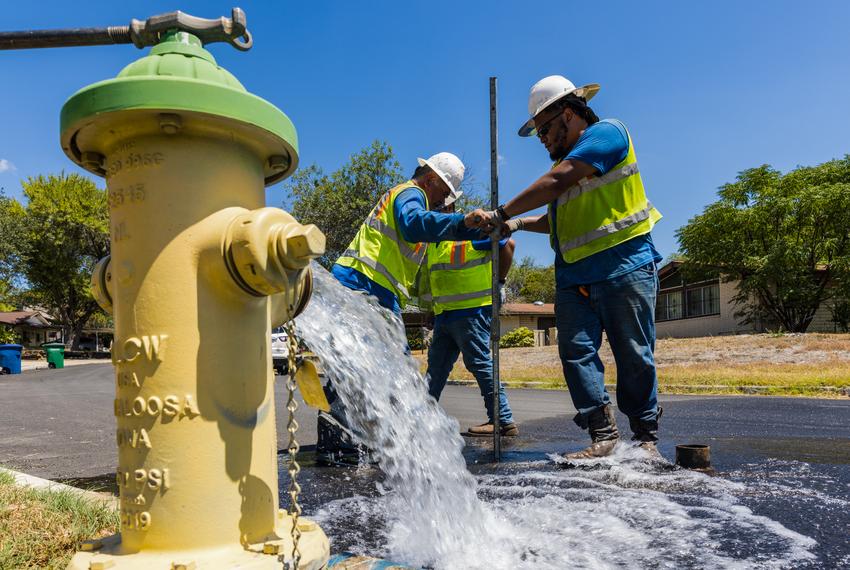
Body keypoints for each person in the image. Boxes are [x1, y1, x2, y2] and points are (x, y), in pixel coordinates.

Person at [470, 75, 664, 458]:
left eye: (544, 128)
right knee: (575, 354)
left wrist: (502, 212)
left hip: (624, 265)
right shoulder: (568, 163)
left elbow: (558, 181)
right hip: (575, 276)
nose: (541, 138)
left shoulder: (607, 134)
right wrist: (519, 223)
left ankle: (645, 440)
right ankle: (603, 436)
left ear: (571, 113)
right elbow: (559, 218)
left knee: (633, 354)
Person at [317, 152, 484, 465]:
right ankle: (347, 443)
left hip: (376, 288)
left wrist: (474, 230)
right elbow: (413, 224)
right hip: (362, 282)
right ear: (432, 179)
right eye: (445, 192)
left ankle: (355, 439)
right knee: (380, 367)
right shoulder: (411, 194)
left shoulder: (414, 200)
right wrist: (461, 222)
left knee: (376, 366)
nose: (444, 200)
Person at [421, 200, 518, 437]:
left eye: (441, 207)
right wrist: (432, 310)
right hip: (445, 314)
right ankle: (420, 417)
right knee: (436, 367)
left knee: (479, 363)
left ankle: (502, 420)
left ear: (451, 207)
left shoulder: (469, 230)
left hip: (472, 311)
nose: (436, 210)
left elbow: (508, 244)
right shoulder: (434, 241)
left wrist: (501, 282)